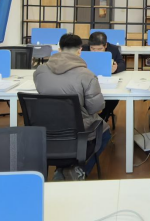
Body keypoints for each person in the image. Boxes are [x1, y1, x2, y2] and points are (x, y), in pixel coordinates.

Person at [34, 34, 111, 180]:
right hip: (77, 127)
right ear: (80, 50)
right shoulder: (87, 75)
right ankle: (78, 170)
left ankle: (63, 167)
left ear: (59, 49)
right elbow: (95, 108)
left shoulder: (40, 71)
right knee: (105, 133)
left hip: (46, 125)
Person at [83, 32, 126, 122]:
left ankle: (104, 116)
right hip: (87, 80)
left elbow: (122, 64)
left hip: (107, 81)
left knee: (115, 97)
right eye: (92, 48)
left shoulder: (113, 49)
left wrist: (116, 68)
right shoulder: (83, 49)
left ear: (105, 45)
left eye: (99, 49)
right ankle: (88, 117)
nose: (95, 51)